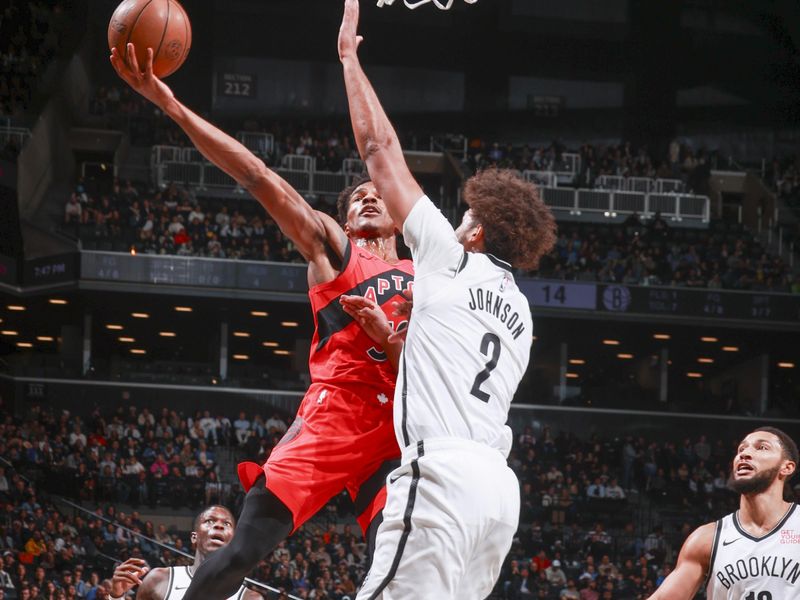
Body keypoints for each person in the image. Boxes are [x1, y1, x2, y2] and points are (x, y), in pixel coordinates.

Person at [110, 42, 414, 600]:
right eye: (356, 199)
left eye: (378, 195)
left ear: (402, 211)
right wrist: (172, 105)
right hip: (333, 416)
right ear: (342, 219)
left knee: (401, 565)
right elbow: (256, 175)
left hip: (398, 430)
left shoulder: (431, 270)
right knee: (243, 550)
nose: (368, 199)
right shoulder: (338, 251)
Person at [337, 1, 557, 597]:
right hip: (497, 494)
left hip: (442, 473)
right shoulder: (523, 314)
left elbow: (379, 152)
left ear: (478, 229)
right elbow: (452, 364)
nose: (455, 220)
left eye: (464, 215)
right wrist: (390, 338)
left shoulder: (449, 256)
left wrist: (350, 60)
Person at [647, 426, 798, 599]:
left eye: (762, 447)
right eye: (742, 448)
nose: (745, 453)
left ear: (786, 467)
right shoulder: (707, 539)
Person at [108, 506, 260, 600]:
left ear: (233, 540)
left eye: (226, 524)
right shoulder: (160, 580)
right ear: (194, 537)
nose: (219, 525)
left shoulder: (250, 598)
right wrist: (116, 596)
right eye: (210, 521)